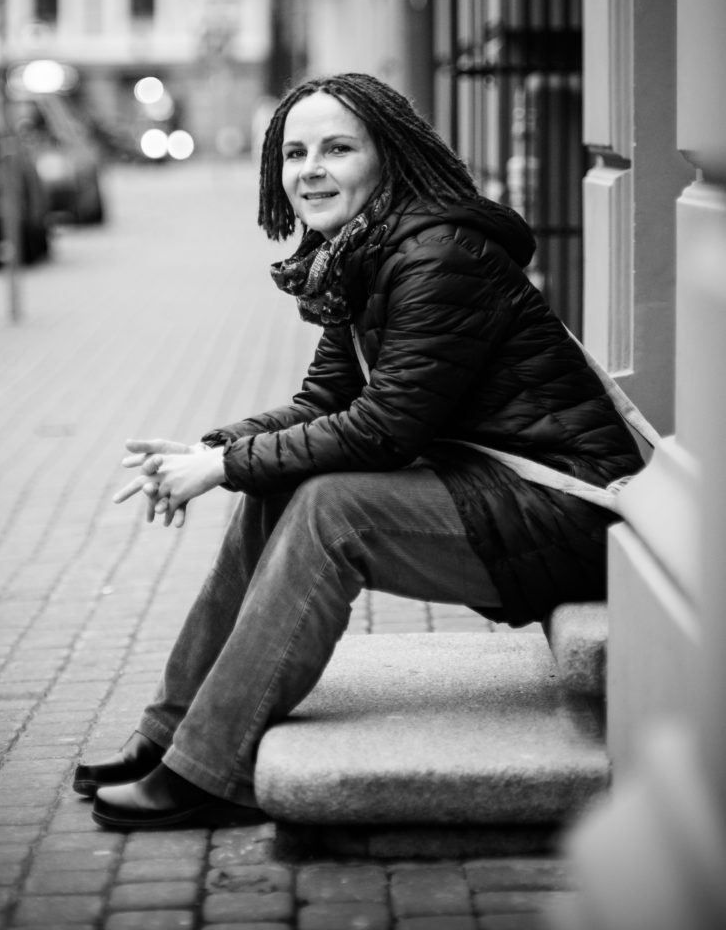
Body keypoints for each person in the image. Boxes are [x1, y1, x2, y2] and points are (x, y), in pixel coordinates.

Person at [75, 72, 644, 832]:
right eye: (294, 153)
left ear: (389, 159)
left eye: (336, 149)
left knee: (330, 506)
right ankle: (171, 731)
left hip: (569, 515)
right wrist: (215, 448)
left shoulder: (440, 256)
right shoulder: (366, 252)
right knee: (282, 484)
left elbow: (385, 427)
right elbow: (323, 403)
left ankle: (213, 766)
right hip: (500, 493)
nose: (309, 170)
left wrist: (221, 468)